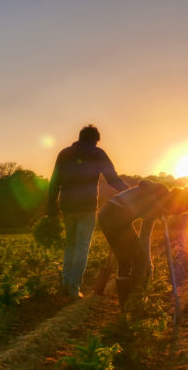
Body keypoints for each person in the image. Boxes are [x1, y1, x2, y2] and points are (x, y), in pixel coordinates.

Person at [47, 124, 128, 299]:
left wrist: (51, 205)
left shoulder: (64, 154)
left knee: (70, 245)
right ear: (95, 140)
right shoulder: (97, 153)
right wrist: (130, 193)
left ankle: (66, 283)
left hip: (67, 206)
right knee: (82, 247)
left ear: (80, 137)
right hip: (87, 206)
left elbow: (54, 182)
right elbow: (112, 180)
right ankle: (74, 288)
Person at [98, 179, 188, 308]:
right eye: (177, 211)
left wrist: (149, 263)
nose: (174, 214)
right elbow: (143, 182)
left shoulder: (155, 211)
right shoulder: (161, 189)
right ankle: (135, 299)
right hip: (116, 213)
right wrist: (157, 203)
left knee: (125, 261)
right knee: (139, 259)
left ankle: (126, 305)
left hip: (107, 215)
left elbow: (144, 237)